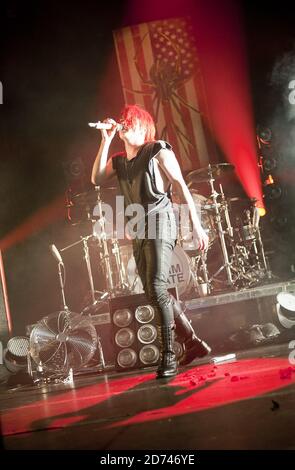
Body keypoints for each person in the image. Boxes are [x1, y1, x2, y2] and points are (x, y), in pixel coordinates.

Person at [91, 104, 211, 379]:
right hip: (139, 227)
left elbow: (180, 185)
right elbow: (96, 178)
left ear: (143, 127)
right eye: (122, 121)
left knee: (157, 287)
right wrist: (106, 140)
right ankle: (192, 342)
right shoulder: (119, 160)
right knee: (152, 291)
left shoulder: (157, 149)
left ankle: (169, 355)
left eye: (128, 122)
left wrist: (198, 226)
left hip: (161, 221)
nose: (123, 125)